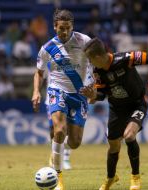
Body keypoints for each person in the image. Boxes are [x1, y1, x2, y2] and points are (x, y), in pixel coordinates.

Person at [80, 37, 148, 190]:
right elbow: (102, 95)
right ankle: (111, 178)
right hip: (116, 108)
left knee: (129, 136)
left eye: (90, 59)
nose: (90, 63)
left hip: (137, 104)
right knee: (113, 146)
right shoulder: (96, 71)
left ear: (98, 57)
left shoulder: (126, 59)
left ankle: (135, 178)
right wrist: (92, 96)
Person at [31, 9, 94, 190]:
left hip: (79, 94)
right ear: (54, 27)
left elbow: (96, 63)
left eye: (67, 28)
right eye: (60, 29)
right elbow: (39, 72)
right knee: (59, 130)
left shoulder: (84, 41)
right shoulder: (47, 48)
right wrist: (36, 91)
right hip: (57, 91)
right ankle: (58, 178)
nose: (64, 32)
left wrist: (94, 85)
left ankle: (57, 152)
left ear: (72, 26)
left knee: (74, 142)